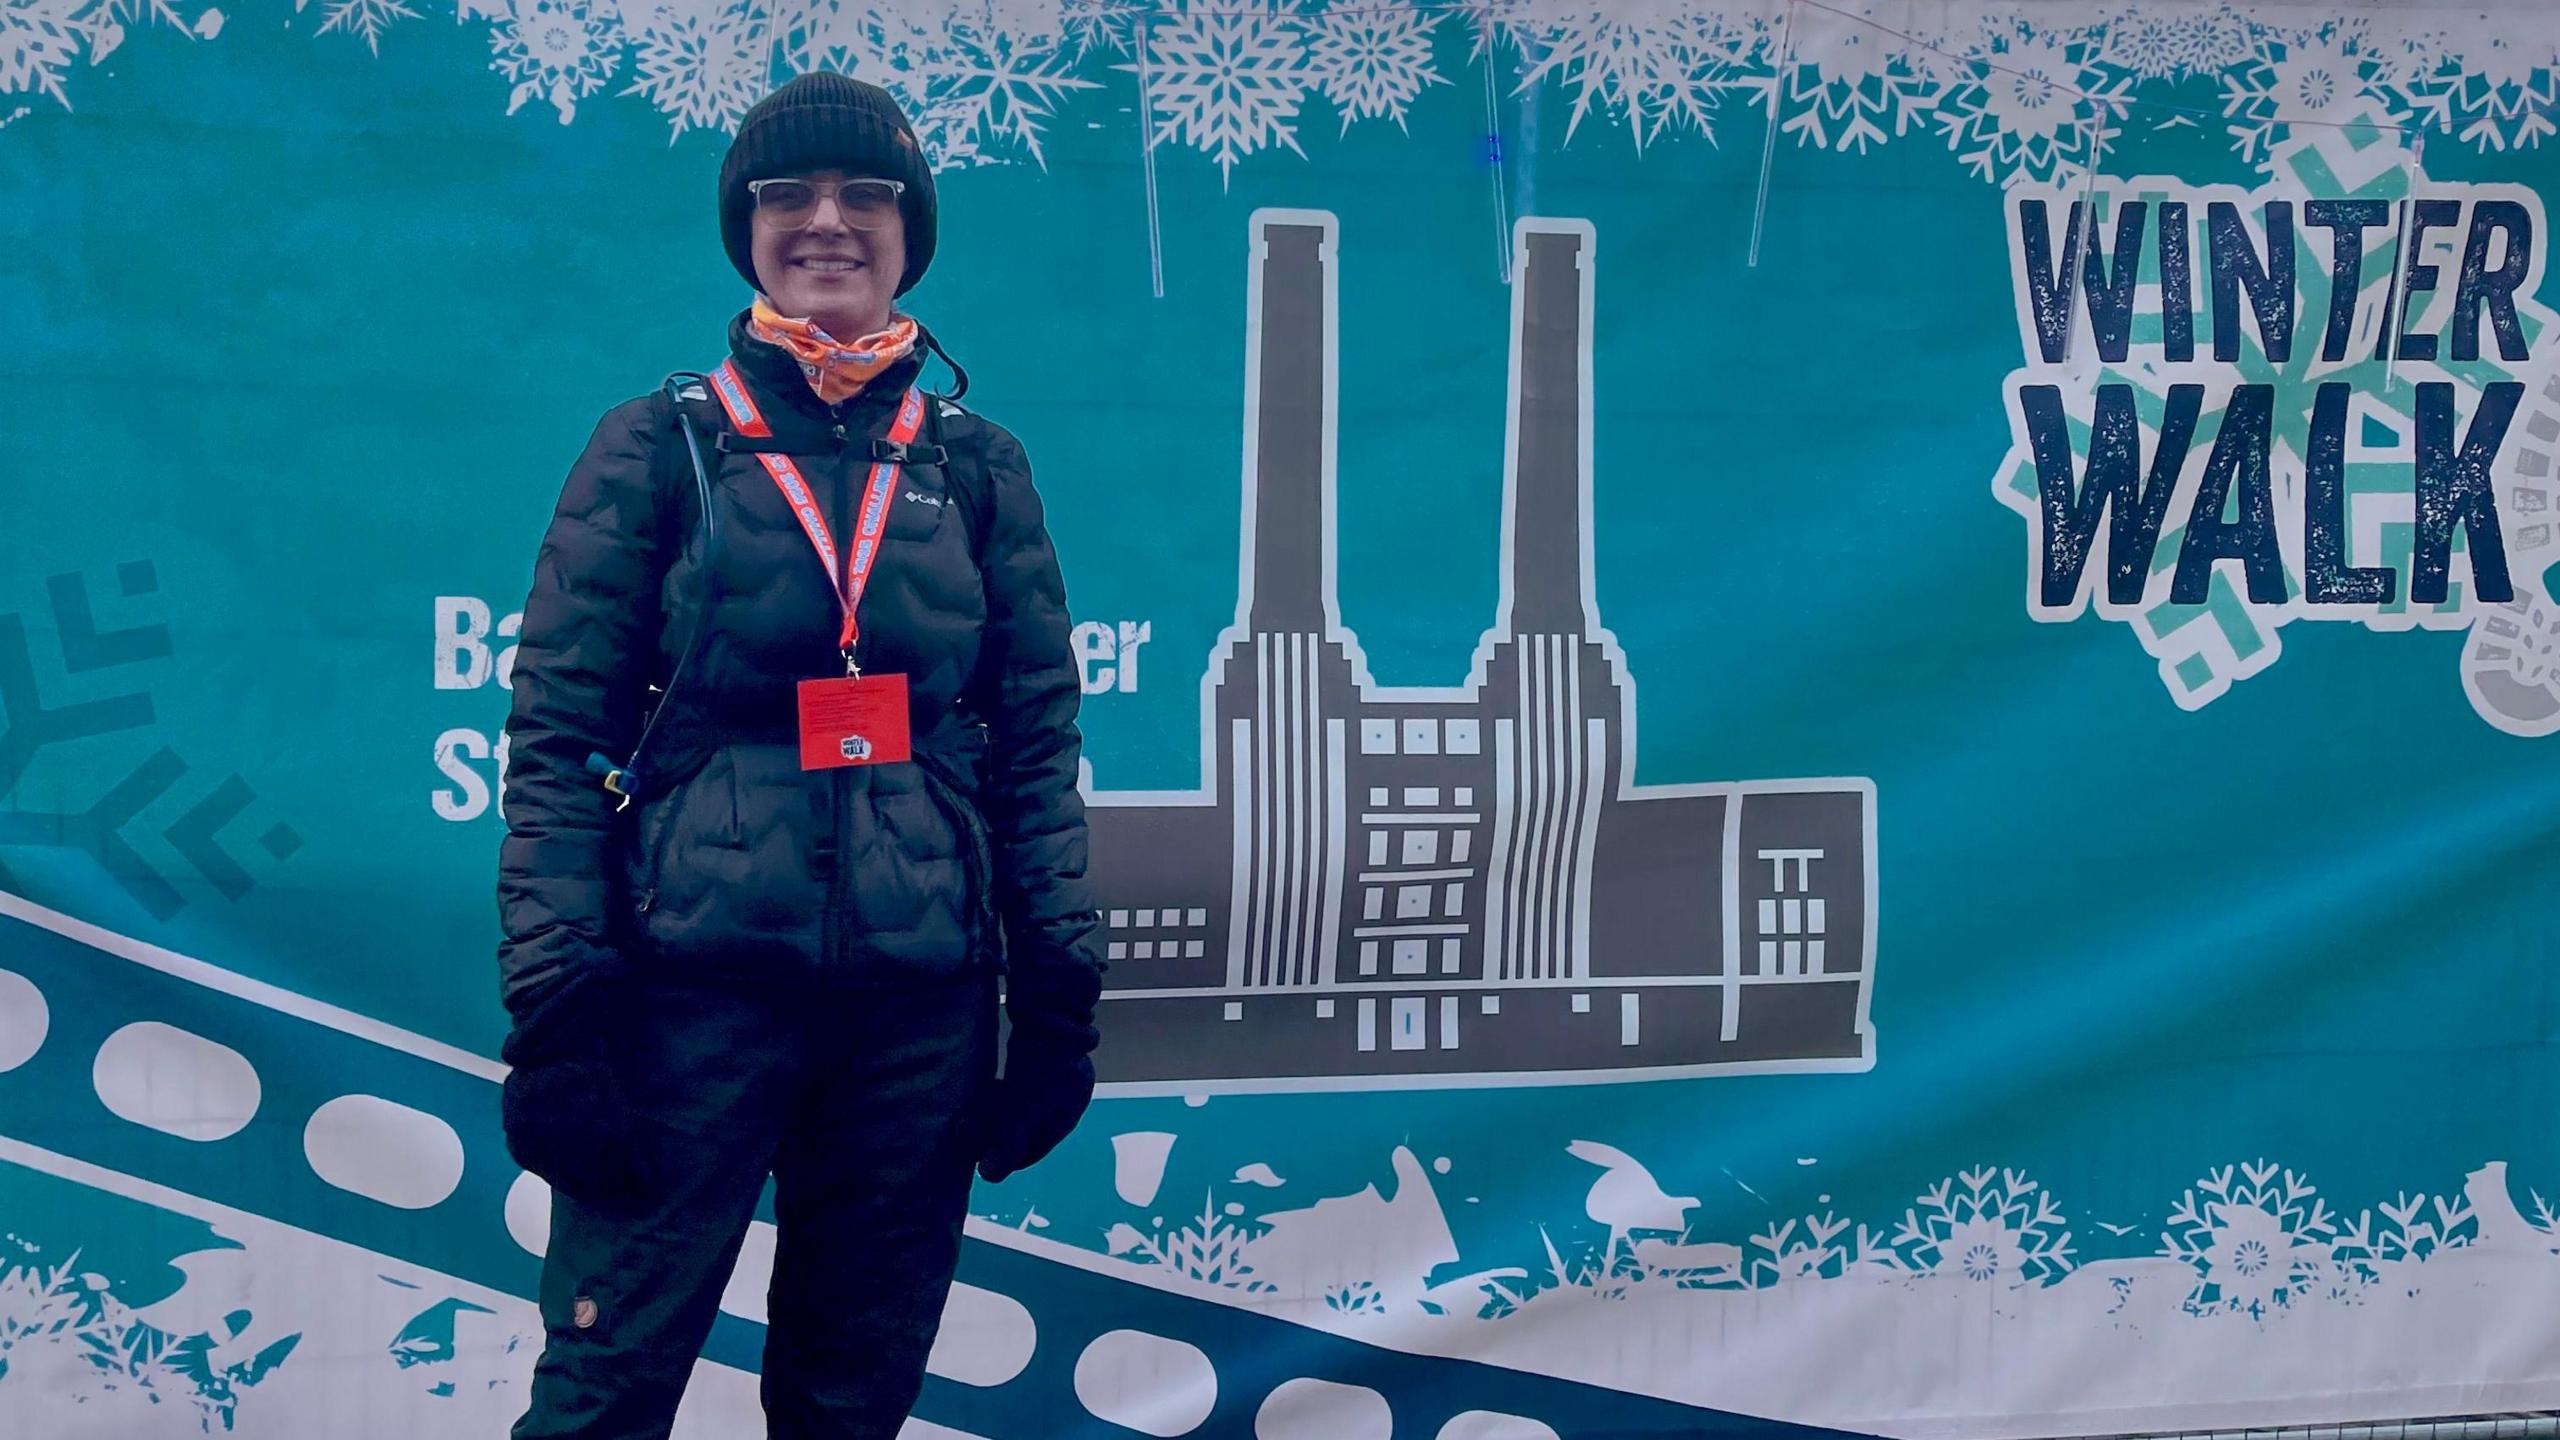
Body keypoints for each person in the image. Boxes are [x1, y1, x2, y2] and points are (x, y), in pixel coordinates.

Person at [493, 72, 1105, 1439]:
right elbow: (552, 747)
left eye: (865, 195)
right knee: (604, 1390)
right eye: (789, 196)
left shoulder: (977, 465)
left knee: (849, 1400)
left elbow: (1035, 746)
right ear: (746, 226)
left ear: (910, 230)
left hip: (917, 1015)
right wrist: (560, 1018)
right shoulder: (659, 445)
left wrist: (1057, 1003)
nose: (827, 222)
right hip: (685, 1005)